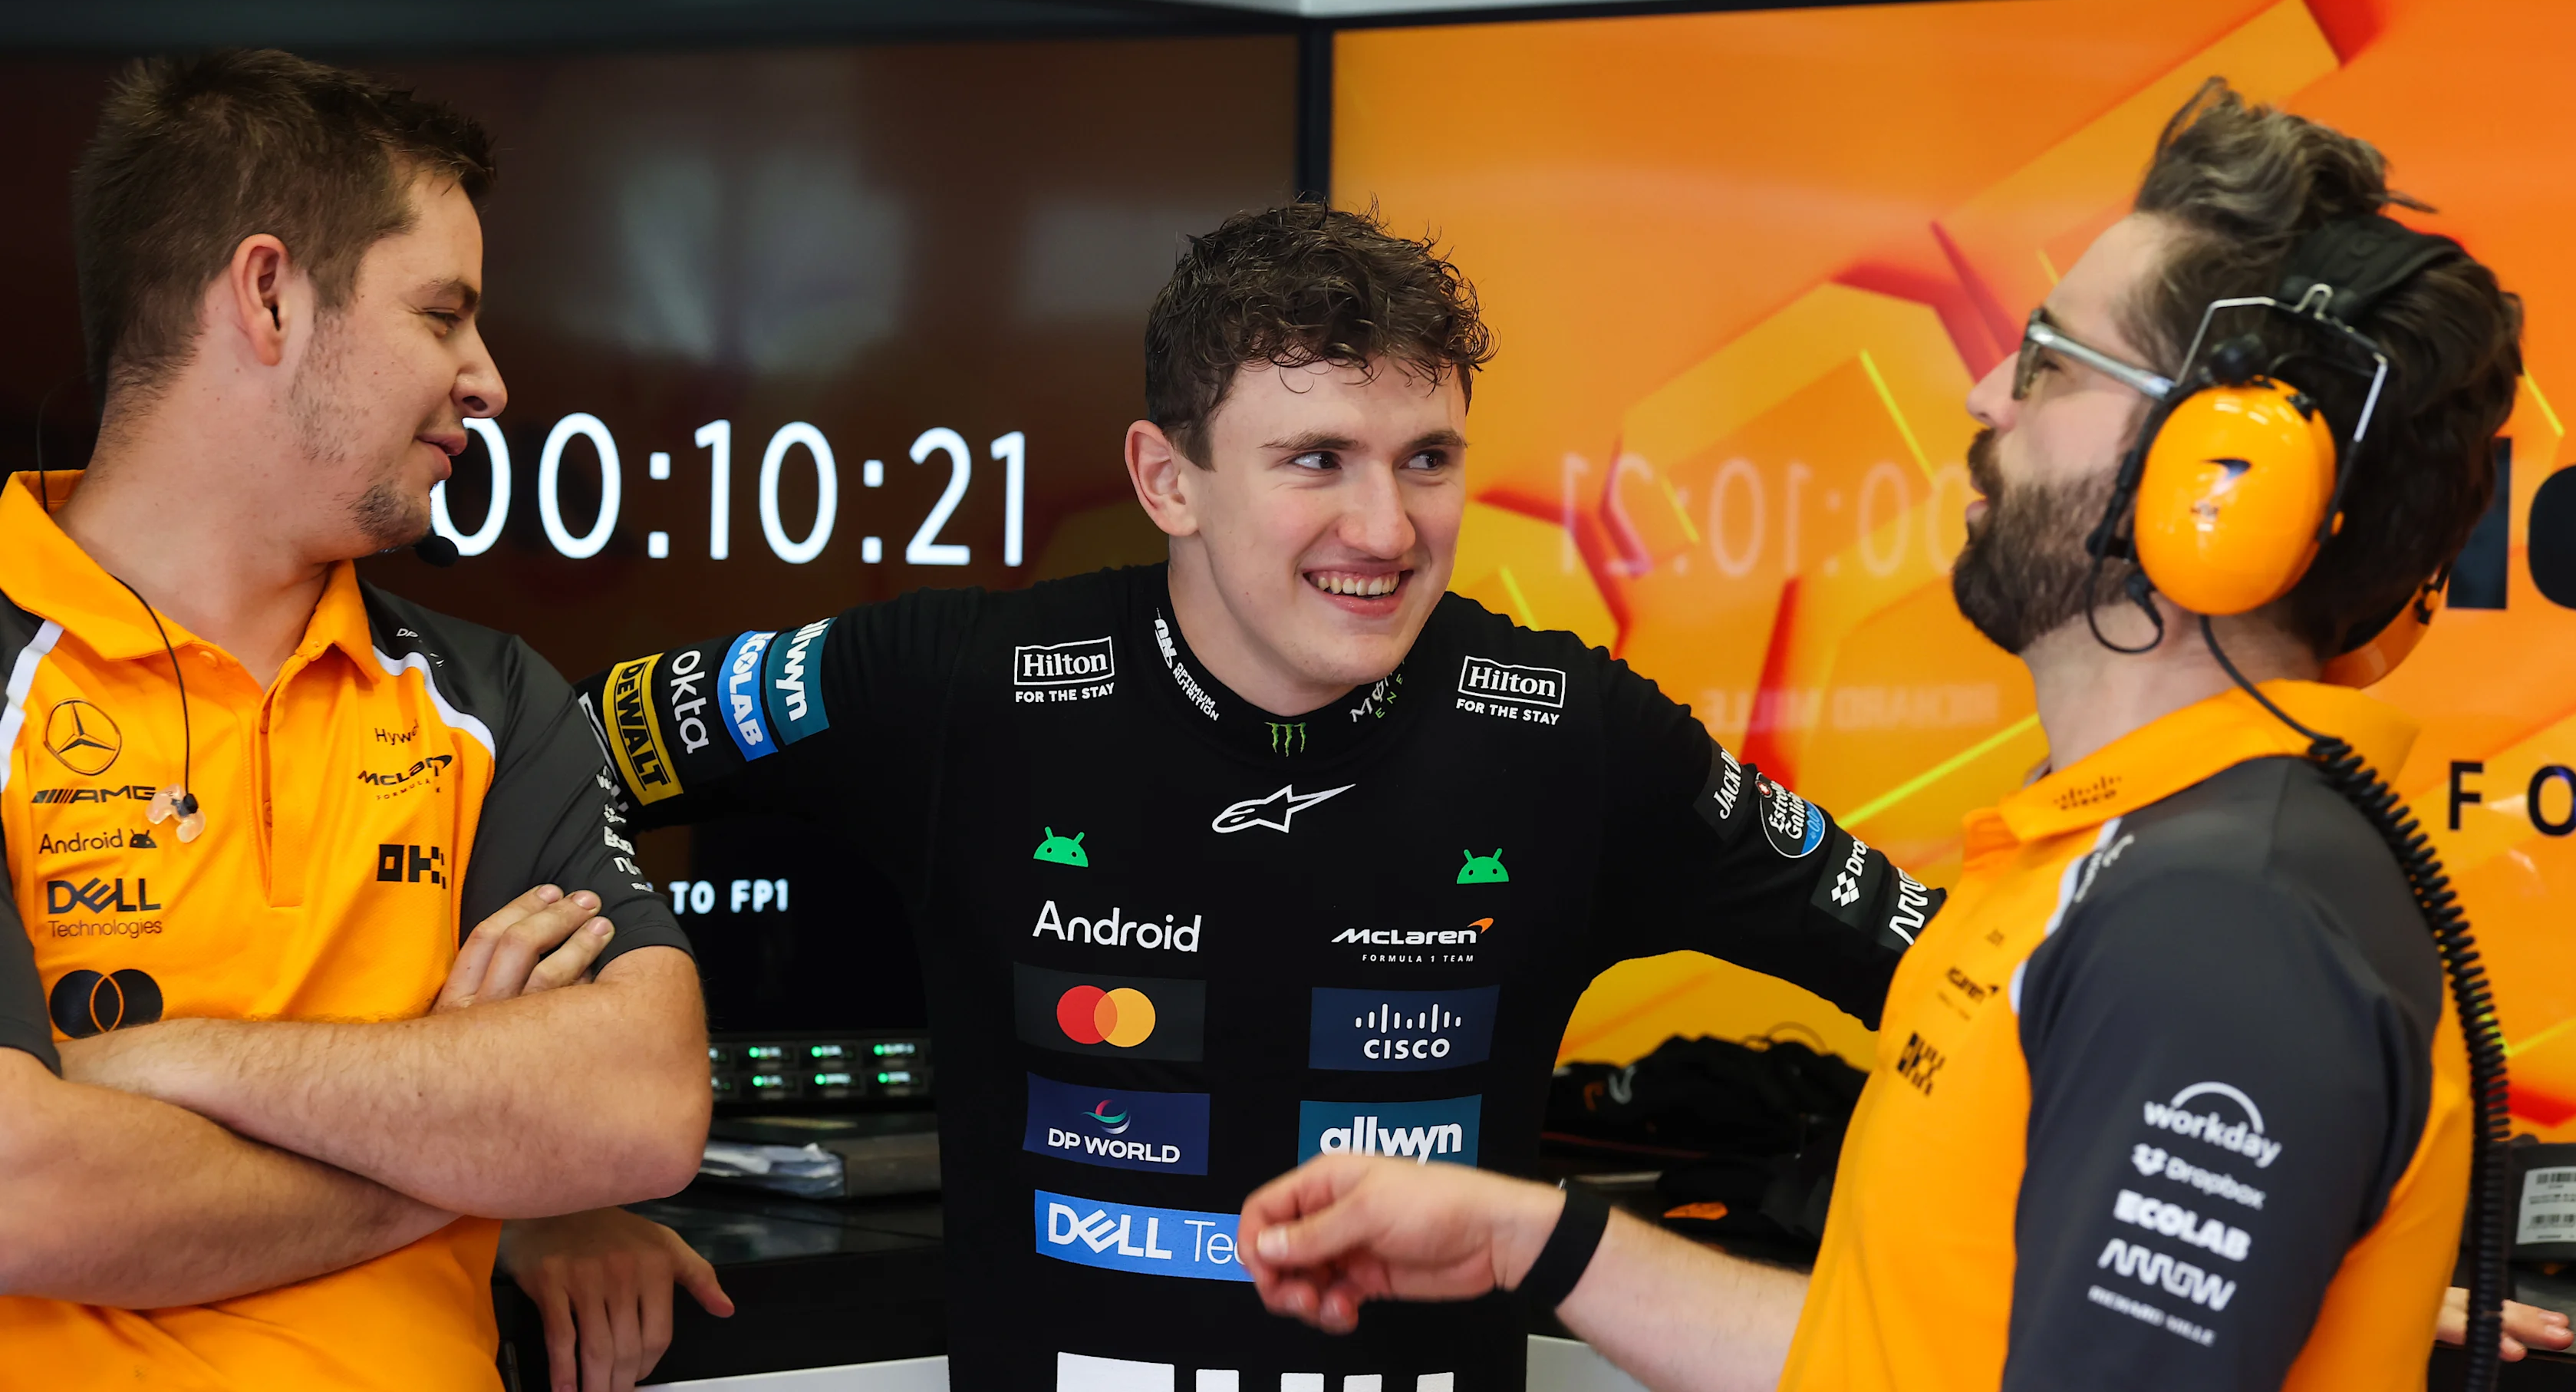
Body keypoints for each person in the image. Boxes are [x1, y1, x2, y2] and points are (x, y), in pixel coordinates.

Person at [1234, 84, 2573, 1389]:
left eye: (2052, 361)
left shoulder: (2221, 926)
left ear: (2222, 483)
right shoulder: (2098, 863)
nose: (1990, 392)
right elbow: (1906, 1357)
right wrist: (1533, 1239)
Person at [581, 202, 1945, 1390]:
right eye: (1317, 460)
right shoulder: (955, 687)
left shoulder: (1574, 736)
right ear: (1167, 480)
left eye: (1428, 458)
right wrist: (538, 1194)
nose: (1387, 530)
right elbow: (525, 768)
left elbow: (1968, 981)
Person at [0, 50, 714, 1391]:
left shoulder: (494, 698)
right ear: (268, 295)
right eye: (443, 314)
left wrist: (152, 1066)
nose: (489, 380)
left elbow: (643, 1108)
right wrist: (462, 1161)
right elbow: (20, 1188)